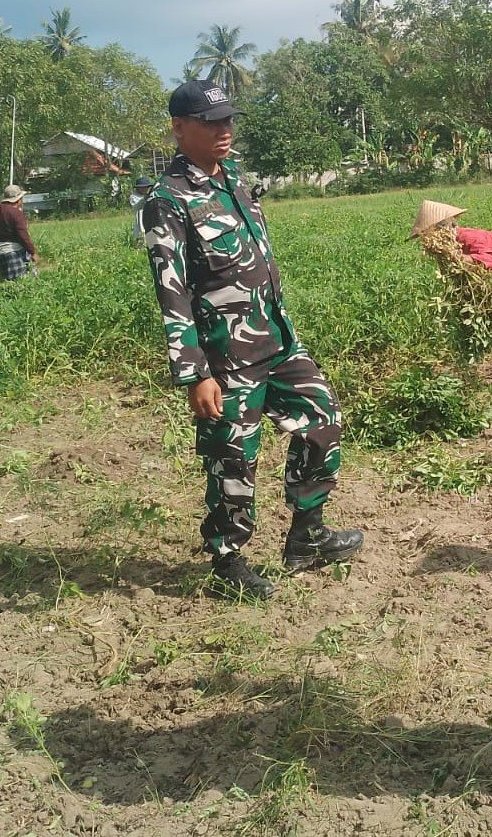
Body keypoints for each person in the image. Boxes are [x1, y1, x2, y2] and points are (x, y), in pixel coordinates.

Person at [142, 79, 364, 601]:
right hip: (225, 357)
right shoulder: (168, 200)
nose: (224, 131)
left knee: (322, 417)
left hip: (275, 338)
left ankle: (307, 534)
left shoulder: (234, 181)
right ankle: (227, 562)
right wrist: (193, 371)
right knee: (233, 456)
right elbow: (170, 289)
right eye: (209, 122)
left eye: (227, 120)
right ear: (178, 128)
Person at [408, 200, 492, 382]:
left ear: (445, 228)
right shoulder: (448, 249)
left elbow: (488, 260)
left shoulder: (468, 238)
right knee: (490, 316)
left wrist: (459, 257)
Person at [0, 184, 37, 280]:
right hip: (13, 251)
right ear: (18, 200)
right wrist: (32, 252)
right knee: (21, 280)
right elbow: (23, 235)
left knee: (5, 280)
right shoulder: (16, 213)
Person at [129, 175, 153, 245]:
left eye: (145, 187)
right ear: (138, 188)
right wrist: (145, 198)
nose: (144, 189)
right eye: (141, 188)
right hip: (140, 217)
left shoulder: (150, 195)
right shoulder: (134, 196)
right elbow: (137, 206)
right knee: (140, 233)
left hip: (149, 218)